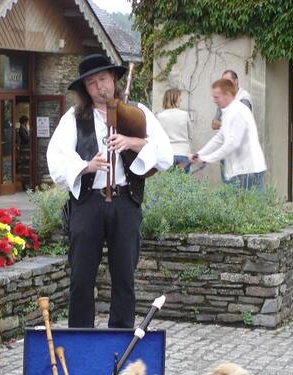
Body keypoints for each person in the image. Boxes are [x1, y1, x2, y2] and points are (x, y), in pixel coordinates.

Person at [47, 54, 173, 328]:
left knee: (124, 278)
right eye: (91, 83)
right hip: (87, 204)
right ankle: (80, 341)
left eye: (103, 80)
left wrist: (132, 142)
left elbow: (166, 156)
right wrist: (86, 166)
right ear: (85, 88)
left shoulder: (136, 112)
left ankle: (121, 341)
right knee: (81, 277)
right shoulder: (75, 117)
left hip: (125, 202)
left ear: (114, 79)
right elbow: (56, 161)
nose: (99, 87)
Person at [191, 78, 266, 191]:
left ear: (227, 95)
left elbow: (232, 143)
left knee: (246, 207)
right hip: (238, 170)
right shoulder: (228, 112)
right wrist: (199, 154)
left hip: (248, 170)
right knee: (237, 206)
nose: (214, 100)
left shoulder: (239, 112)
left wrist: (206, 158)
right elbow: (220, 138)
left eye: (216, 97)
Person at [212, 70, 253, 182]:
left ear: (236, 81)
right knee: (227, 184)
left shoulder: (244, 98)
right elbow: (214, 124)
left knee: (240, 185)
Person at [156, 89, 193, 173]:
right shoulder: (185, 115)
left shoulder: (159, 116)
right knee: (183, 182)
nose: (181, 99)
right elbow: (191, 135)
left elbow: (157, 137)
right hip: (183, 154)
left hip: (166, 154)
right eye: (179, 97)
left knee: (167, 183)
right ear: (175, 98)